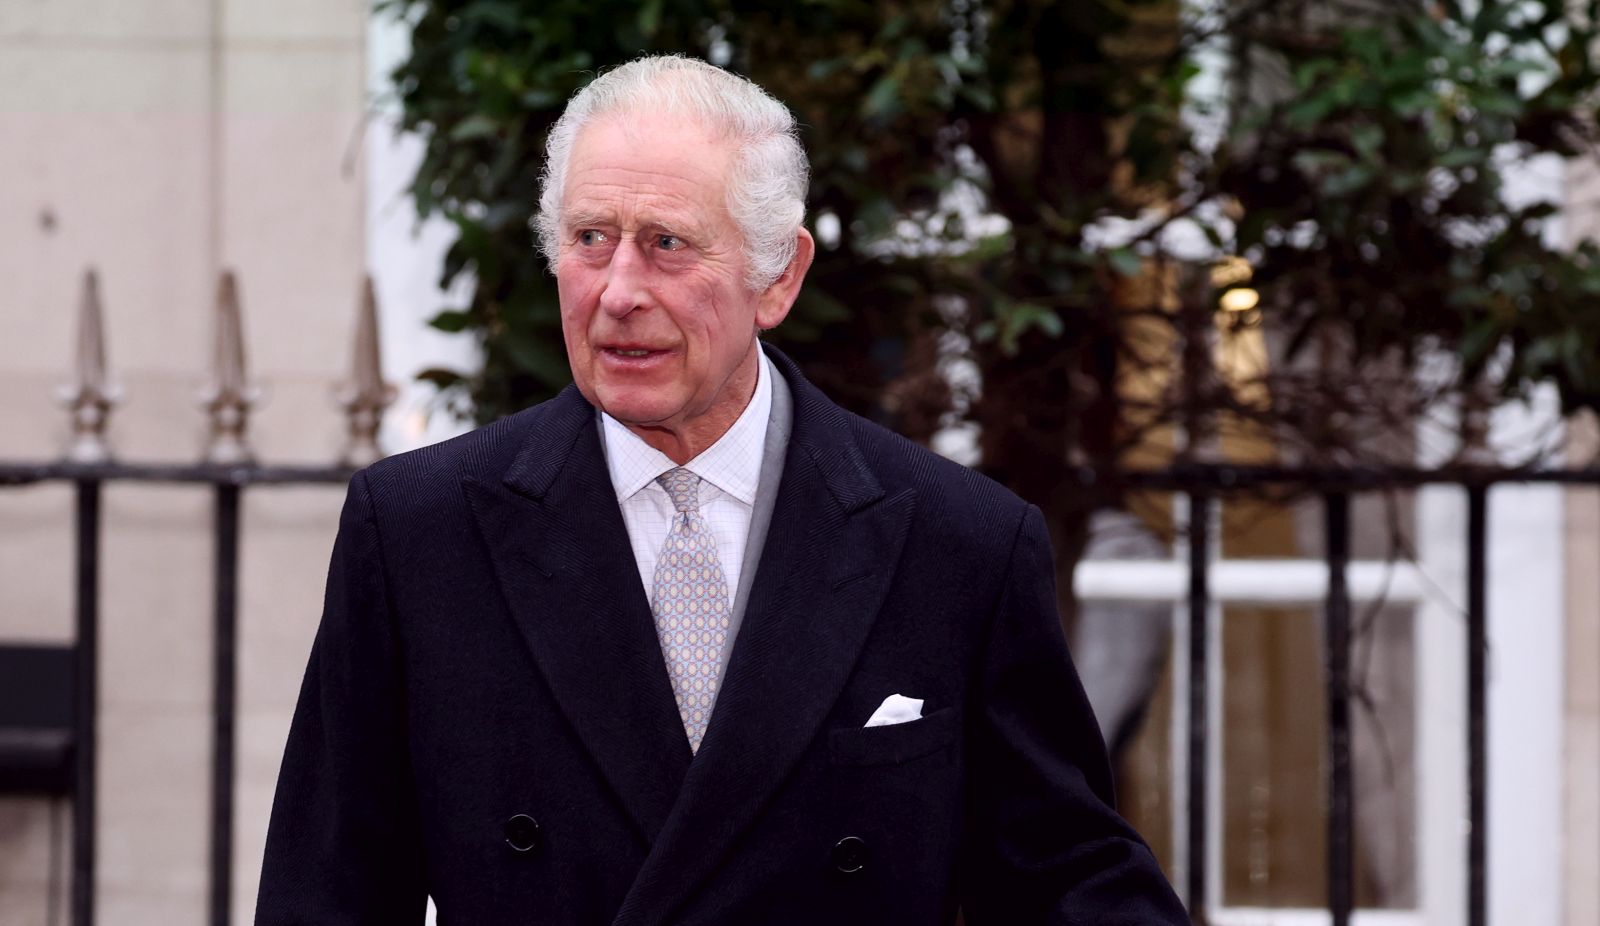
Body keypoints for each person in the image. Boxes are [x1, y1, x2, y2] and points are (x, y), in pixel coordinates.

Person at [255, 54, 1187, 925]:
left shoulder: (959, 544)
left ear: (778, 276)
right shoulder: (419, 533)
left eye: (666, 244)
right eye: (590, 239)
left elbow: (1071, 886)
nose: (618, 291)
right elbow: (327, 891)